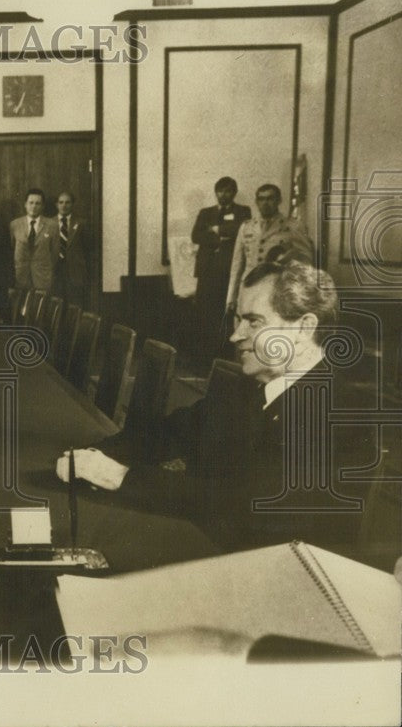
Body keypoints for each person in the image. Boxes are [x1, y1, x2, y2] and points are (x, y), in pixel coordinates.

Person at [64, 261, 367, 552]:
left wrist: (121, 477)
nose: (236, 335)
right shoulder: (250, 386)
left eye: (254, 322)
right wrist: (92, 454)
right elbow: (172, 432)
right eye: (238, 319)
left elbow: (240, 502)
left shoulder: (337, 411)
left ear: (303, 328)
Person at [226, 183, 314, 312]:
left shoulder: (293, 226)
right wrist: (231, 298)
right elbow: (236, 266)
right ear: (256, 202)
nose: (265, 203)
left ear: (279, 200)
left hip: (276, 290)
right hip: (248, 289)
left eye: (270, 198)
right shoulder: (247, 227)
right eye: (261, 199)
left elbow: (306, 262)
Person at [190, 177, 252, 357]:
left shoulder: (243, 211)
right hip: (206, 272)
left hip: (228, 272)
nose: (223, 195)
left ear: (234, 193)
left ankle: (223, 355)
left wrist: (217, 229)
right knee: (204, 313)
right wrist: (220, 238)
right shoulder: (205, 212)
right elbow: (196, 235)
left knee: (224, 313)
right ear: (215, 192)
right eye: (220, 191)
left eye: (227, 191)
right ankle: (204, 357)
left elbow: (240, 230)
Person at [10, 189, 58, 293]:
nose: (34, 206)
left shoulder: (52, 225)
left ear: (42, 206)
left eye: (38, 203)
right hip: (20, 278)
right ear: (25, 204)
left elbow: (54, 253)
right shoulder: (15, 224)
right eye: (31, 203)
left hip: (42, 278)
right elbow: (10, 251)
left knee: (41, 308)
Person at [52, 191, 92, 308]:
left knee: (74, 306)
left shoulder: (81, 224)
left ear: (72, 204)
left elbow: (88, 250)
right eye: (61, 202)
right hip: (55, 272)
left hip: (75, 274)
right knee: (56, 306)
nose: (64, 205)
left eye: (67, 202)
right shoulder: (49, 223)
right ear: (56, 205)